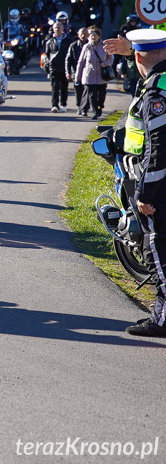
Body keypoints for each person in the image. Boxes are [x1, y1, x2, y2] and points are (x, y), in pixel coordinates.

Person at [103, 28, 166, 336]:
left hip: (158, 183)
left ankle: (161, 319)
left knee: (158, 249)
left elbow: (158, 146)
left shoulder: (156, 92)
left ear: (140, 57)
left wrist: (145, 192)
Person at [74, 26, 112, 120]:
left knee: (101, 94)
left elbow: (110, 58)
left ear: (99, 36)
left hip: (101, 76)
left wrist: (105, 63)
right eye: (91, 36)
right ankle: (95, 112)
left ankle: (100, 107)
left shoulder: (105, 46)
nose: (92, 37)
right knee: (92, 95)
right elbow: (81, 62)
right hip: (89, 75)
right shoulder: (86, 47)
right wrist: (77, 76)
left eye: (94, 35)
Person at [43, 21, 73, 112]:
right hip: (54, 67)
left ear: (63, 29)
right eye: (55, 27)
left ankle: (63, 104)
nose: (57, 29)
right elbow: (47, 55)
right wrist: (48, 67)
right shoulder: (49, 41)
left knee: (64, 87)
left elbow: (71, 55)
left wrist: (70, 69)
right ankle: (55, 105)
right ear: (53, 29)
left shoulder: (68, 41)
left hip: (64, 67)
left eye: (59, 27)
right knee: (55, 87)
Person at [65, 27, 89, 114]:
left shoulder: (91, 46)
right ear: (78, 35)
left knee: (87, 90)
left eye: (85, 34)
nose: (83, 36)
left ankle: (85, 109)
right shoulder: (73, 46)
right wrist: (68, 72)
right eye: (81, 34)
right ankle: (79, 106)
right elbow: (68, 60)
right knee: (78, 91)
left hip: (88, 73)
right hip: (76, 73)